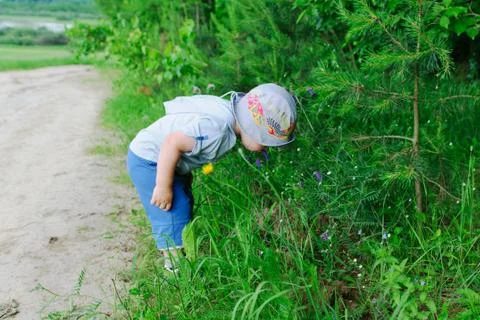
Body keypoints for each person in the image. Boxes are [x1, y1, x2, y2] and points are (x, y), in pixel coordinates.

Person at [126, 83, 297, 272]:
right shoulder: (217, 131)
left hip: (164, 160)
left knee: (184, 200)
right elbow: (172, 142)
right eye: (265, 141)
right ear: (252, 128)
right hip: (150, 160)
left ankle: (182, 250)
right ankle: (174, 267)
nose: (266, 148)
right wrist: (163, 185)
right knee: (173, 209)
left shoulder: (228, 115)